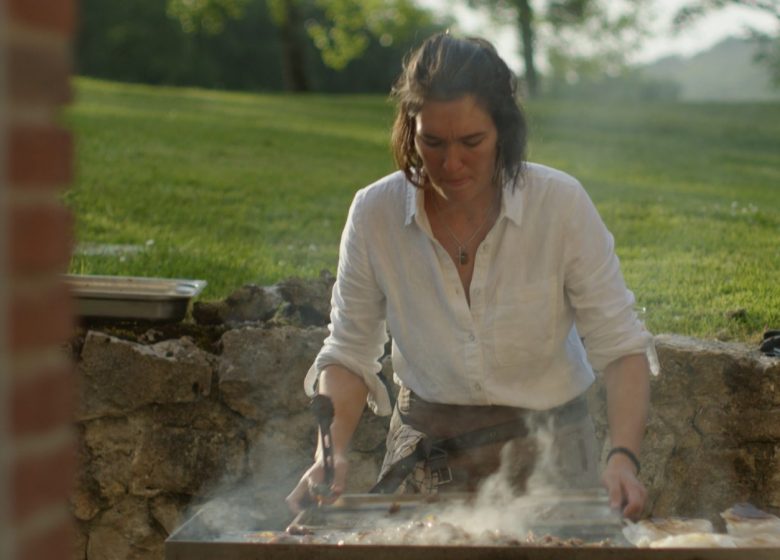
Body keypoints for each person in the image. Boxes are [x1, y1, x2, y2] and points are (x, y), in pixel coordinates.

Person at [286, 33, 652, 521]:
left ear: (503, 130)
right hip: (429, 456)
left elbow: (621, 345)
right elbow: (350, 352)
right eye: (431, 142)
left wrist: (623, 457)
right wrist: (328, 455)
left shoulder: (560, 205)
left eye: (471, 142)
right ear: (409, 130)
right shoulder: (374, 212)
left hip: (553, 456)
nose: (451, 163)